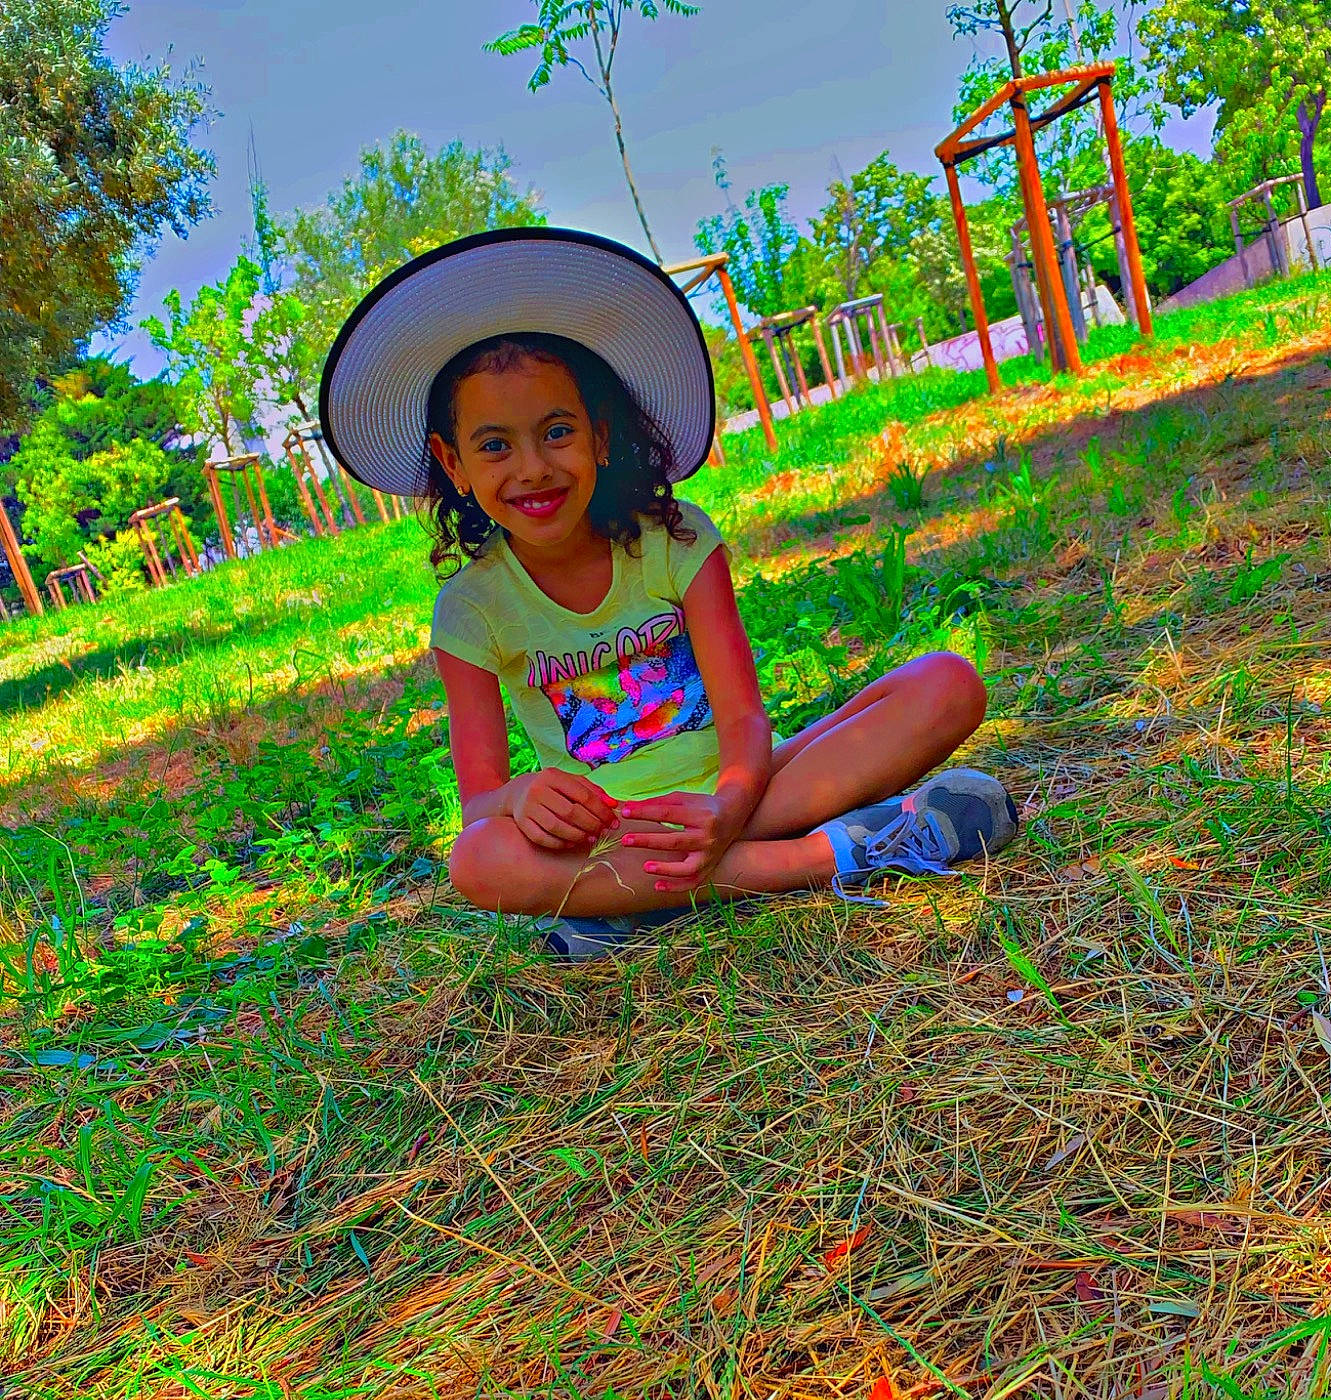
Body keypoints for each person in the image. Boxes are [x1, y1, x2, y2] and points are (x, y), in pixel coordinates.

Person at [320, 227, 1018, 957]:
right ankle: (828, 857)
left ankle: (631, 910)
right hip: (606, 835)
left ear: (599, 435)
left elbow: (744, 716)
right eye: (495, 445)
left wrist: (728, 804)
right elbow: (482, 801)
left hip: (748, 791)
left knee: (945, 681)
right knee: (476, 859)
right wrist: (521, 798)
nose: (530, 468)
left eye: (556, 431)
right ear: (452, 463)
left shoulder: (675, 538)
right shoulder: (470, 608)